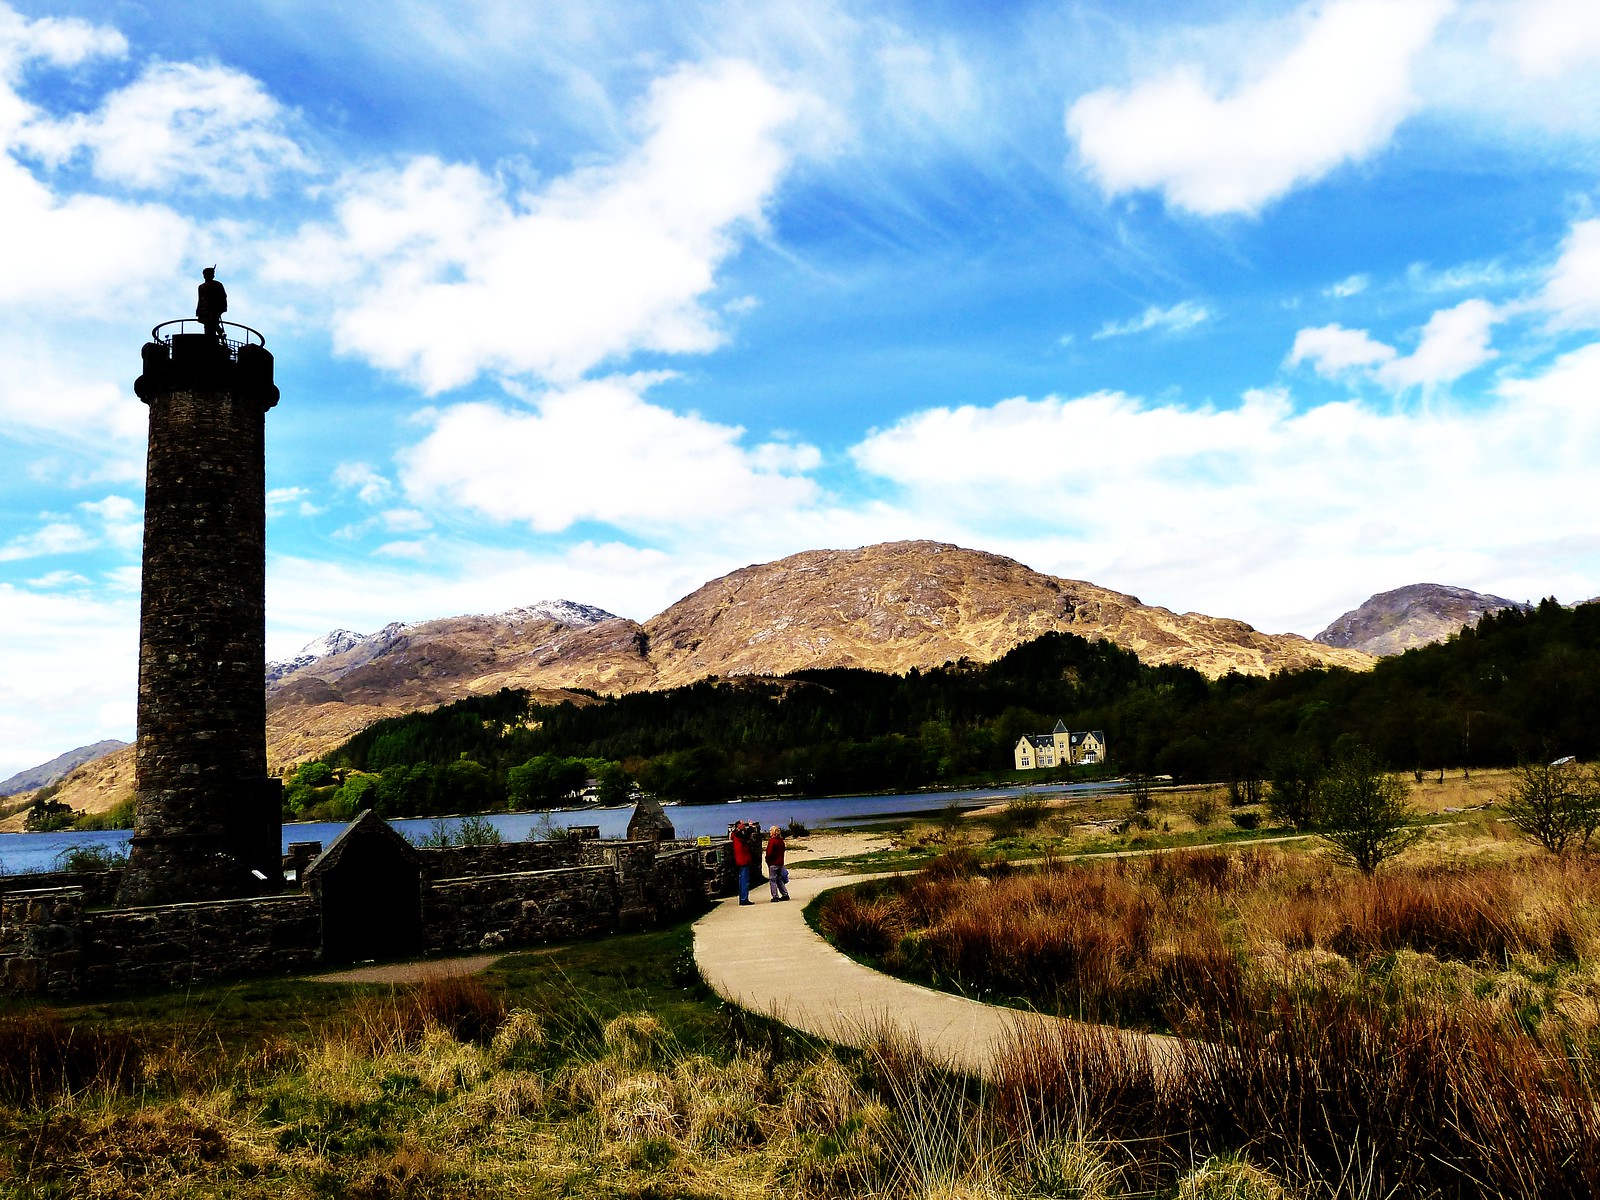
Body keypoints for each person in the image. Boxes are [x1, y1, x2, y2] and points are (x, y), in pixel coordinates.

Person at [196, 266, 228, 342]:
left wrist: (222, 307)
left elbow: (223, 296)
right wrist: (198, 310)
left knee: (211, 322)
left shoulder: (217, 284)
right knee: (207, 324)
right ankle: (218, 332)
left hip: (214, 308)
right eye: (207, 274)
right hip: (204, 309)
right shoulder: (201, 287)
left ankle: (215, 336)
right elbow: (200, 299)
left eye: (211, 274)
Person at [730, 820, 754, 905]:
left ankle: (742, 898)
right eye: (743, 824)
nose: (744, 826)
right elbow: (746, 837)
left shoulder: (735, 833)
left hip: (740, 859)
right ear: (738, 825)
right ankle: (744, 899)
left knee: (742, 880)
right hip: (743, 859)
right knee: (744, 880)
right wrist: (750, 828)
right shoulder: (738, 834)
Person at [765, 825, 789, 902]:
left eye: (770, 831)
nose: (769, 832)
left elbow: (769, 853)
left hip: (773, 863)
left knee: (773, 880)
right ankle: (785, 894)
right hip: (780, 863)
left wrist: (767, 860)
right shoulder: (781, 841)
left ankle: (775, 896)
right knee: (779, 879)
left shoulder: (772, 841)